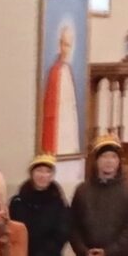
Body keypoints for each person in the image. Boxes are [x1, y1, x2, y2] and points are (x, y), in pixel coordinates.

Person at [39, 19, 81, 156]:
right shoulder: (55, 72)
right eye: (65, 45)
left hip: (68, 128)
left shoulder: (68, 70)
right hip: (58, 131)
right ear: (60, 45)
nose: (67, 50)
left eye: (69, 45)